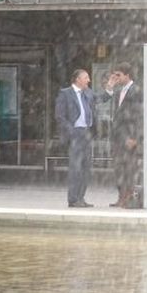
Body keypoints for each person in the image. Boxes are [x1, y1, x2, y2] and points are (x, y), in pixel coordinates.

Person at [54, 69, 94, 207]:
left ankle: (81, 198)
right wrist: (71, 131)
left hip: (86, 132)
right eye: (86, 77)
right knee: (75, 167)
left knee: (86, 167)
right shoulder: (65, 93)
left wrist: (110, 88)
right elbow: (59, 115)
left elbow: (100, 99)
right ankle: (73, 199)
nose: (88, 80)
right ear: (77, 79)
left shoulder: (87, 93)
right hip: (75, 133)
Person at [107, 67, 142, 208]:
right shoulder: (119, 91)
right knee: (119, 168)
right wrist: (110, 86)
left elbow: (139, 115)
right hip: (119, 136)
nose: (116, 78)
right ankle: (121, 196)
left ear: (127, 75)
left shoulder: (136, 90)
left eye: (118, 75)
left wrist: (134, 137)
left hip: (129, 135)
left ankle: (128, 197)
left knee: (129, 169)